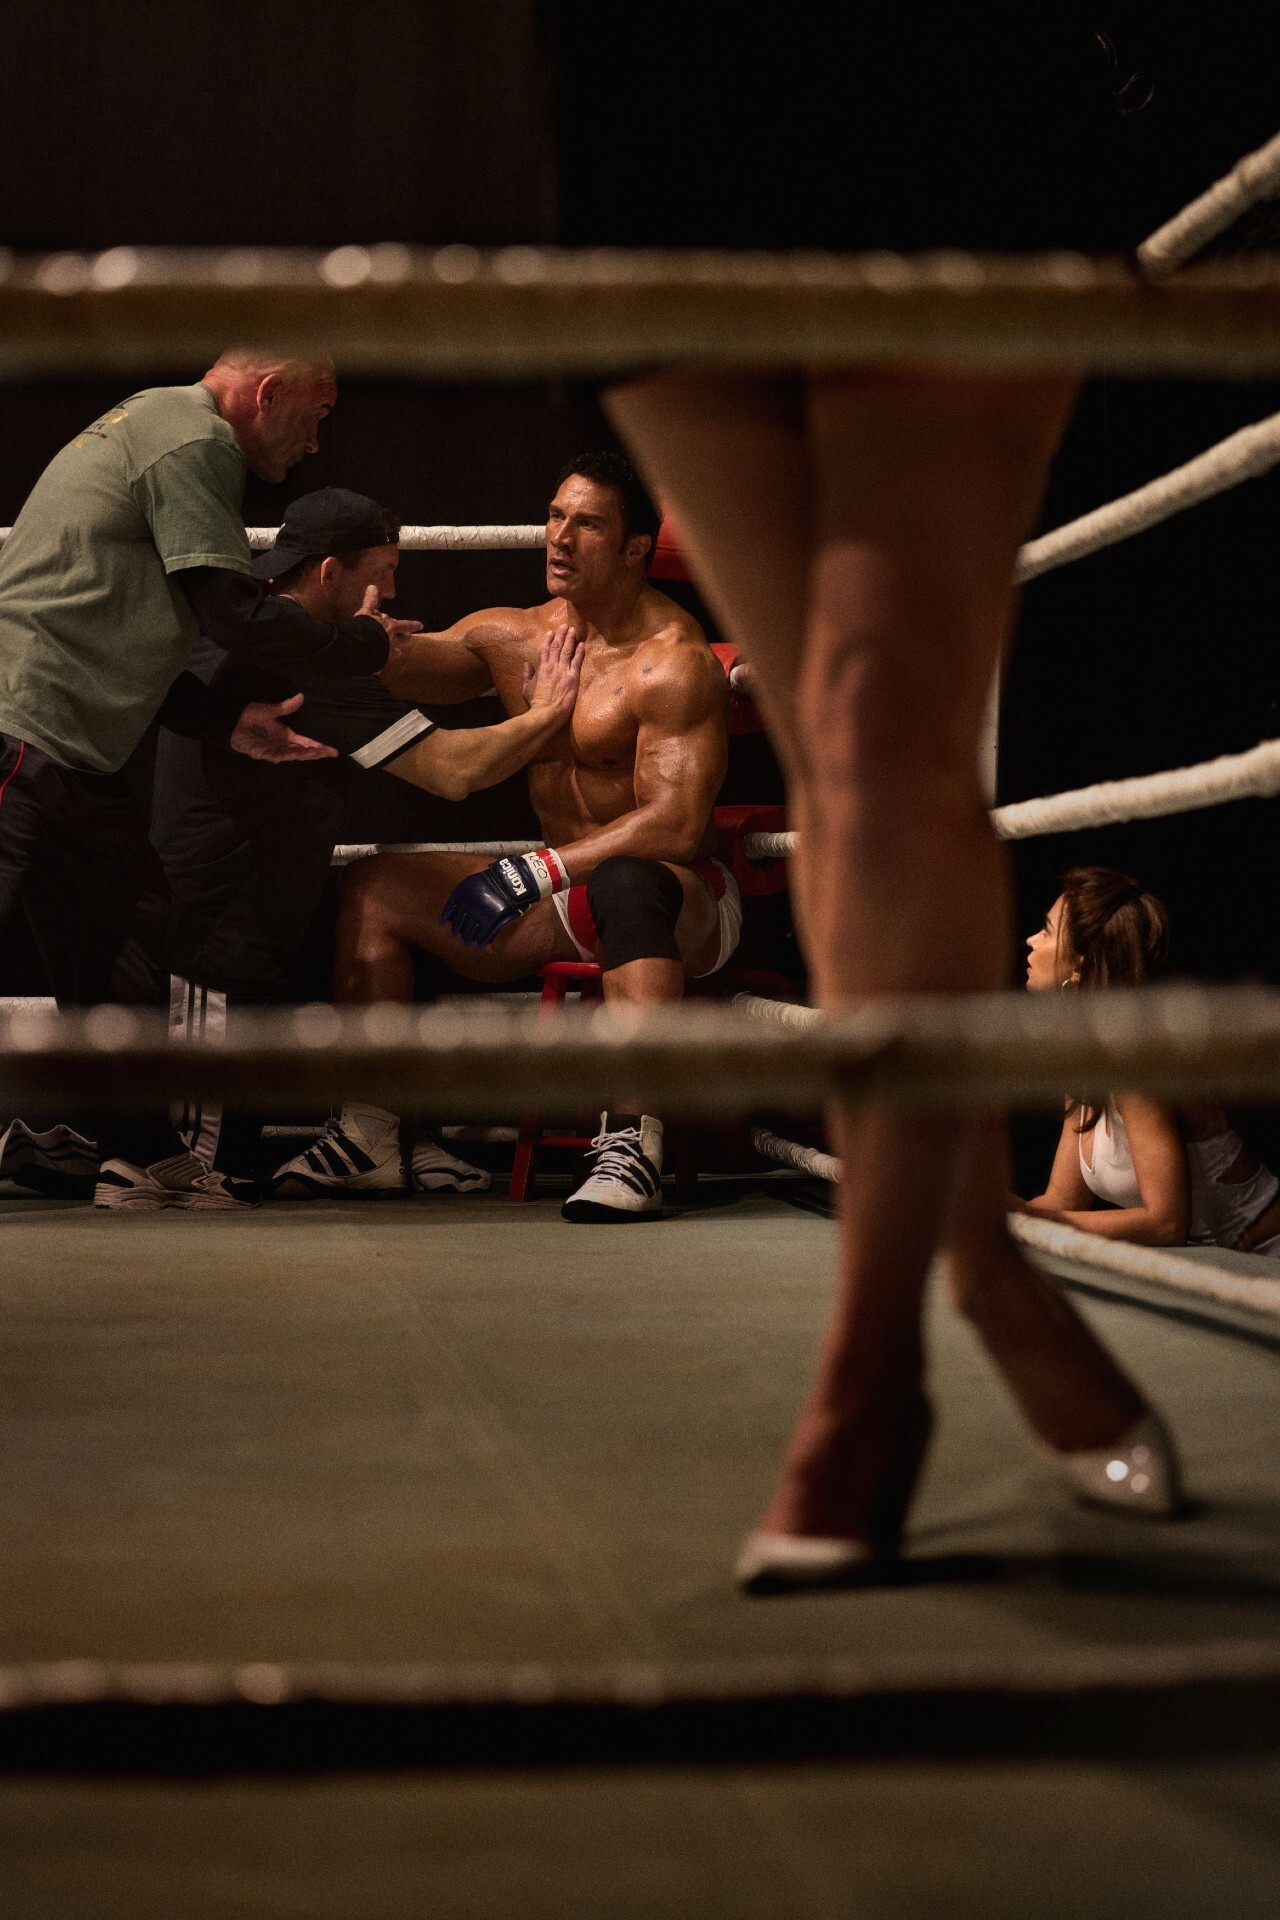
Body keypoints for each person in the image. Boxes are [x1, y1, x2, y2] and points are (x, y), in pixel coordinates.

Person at [0, 348, 420, 1207]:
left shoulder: (163, 429)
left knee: (127, 939)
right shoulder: (194, 441)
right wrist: (368, 647)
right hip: (21, 725)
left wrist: (223, 719)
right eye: (317, 413)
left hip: (81, 746)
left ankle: (140, 1153)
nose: (318, 440)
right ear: (268, 394)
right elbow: (233, 611)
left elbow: (131, 616)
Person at [279, 451, 736, 1221]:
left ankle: (631, 1139)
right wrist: (346, 634)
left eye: (587, 524)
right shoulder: (515, 638)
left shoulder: (672, 663)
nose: (559, 537)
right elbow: (397, 669)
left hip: (679, 905)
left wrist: (538, 870)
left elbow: (676, 825)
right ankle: (370, 1134)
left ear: (632, 549)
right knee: (376, 889)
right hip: (561, 896)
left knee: (628, 883)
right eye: (555, 516)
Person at [151, 487, 583, 1207]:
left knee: (387, 907)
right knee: (192, 1181)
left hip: (256, 924)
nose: (393, 589)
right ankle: (77, 1138)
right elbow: (453, 773)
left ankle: (384, 1133)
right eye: (384, 570)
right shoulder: (307, 660)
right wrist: (548, 716)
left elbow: (396, 668)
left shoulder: (253, 616)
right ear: (329, 575)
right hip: (208, 946)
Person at [1019, 867, 1280, 1255]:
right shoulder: (1088, 1063)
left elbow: (1166, 1223)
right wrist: (998, 1213)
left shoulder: (1134, 1065)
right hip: (1224, 1268)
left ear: (1080, 965)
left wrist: (1028, 1221)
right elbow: (1061, 1200)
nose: (1030, 940)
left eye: (1047, 930)